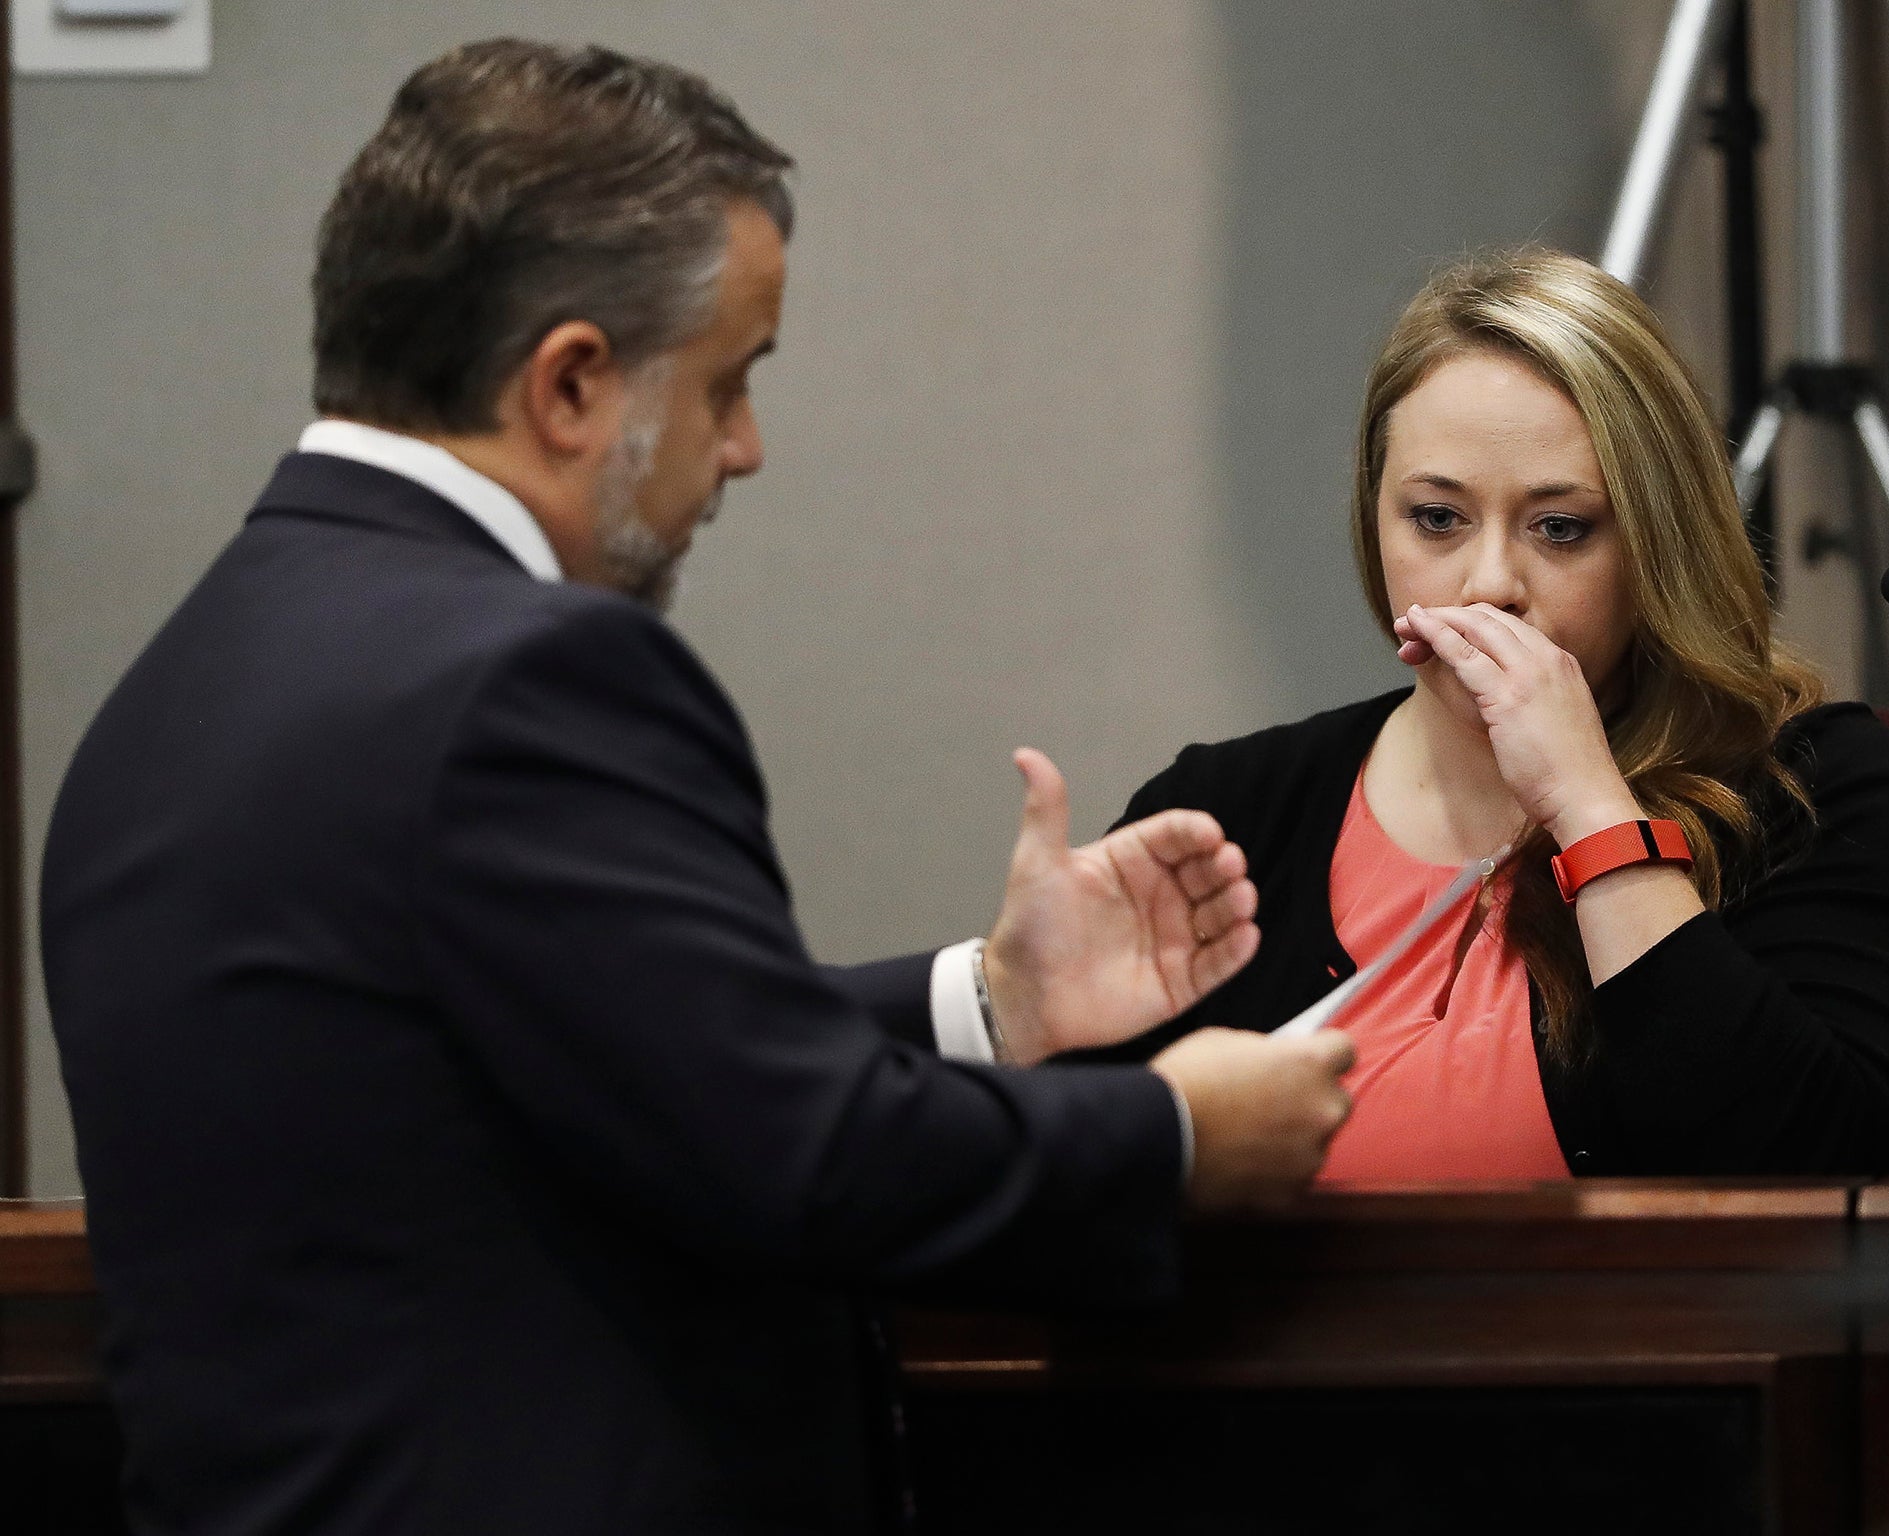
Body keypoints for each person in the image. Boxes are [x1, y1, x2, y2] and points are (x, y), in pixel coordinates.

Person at [38, 40, 1357, 1536]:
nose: (745, 449)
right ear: (573, 382)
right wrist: (1180, 1138)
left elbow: (581, 1063)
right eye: (729, 380)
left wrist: (995, 1001)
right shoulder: (529, 677)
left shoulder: (178, 684)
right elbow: (806, 1161)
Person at [1102, 249, 1889, 1179]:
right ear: (1375, 523)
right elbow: (1049, 1191)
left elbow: (1818, 1174)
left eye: (1560, 528)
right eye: (1437, 519)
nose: (1489, 586)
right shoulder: (1224, 807)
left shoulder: (1816, 794)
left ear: (1656, 541)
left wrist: (1589, 807)